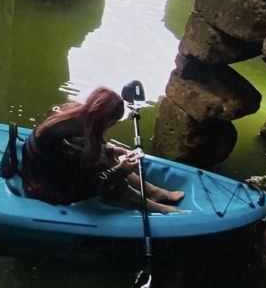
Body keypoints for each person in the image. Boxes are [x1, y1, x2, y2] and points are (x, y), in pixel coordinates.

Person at [21, 87, 185, 213]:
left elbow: (83, 150)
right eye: (113, 123)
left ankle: (153, 191)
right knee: (115, 183)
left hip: (47, 167)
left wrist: (110, 149)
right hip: (45, 187)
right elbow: (90, 183)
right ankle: (161, 209)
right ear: (106, 121)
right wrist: (121, 171)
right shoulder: (76, 144)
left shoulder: (69, 108)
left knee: (110, 159)